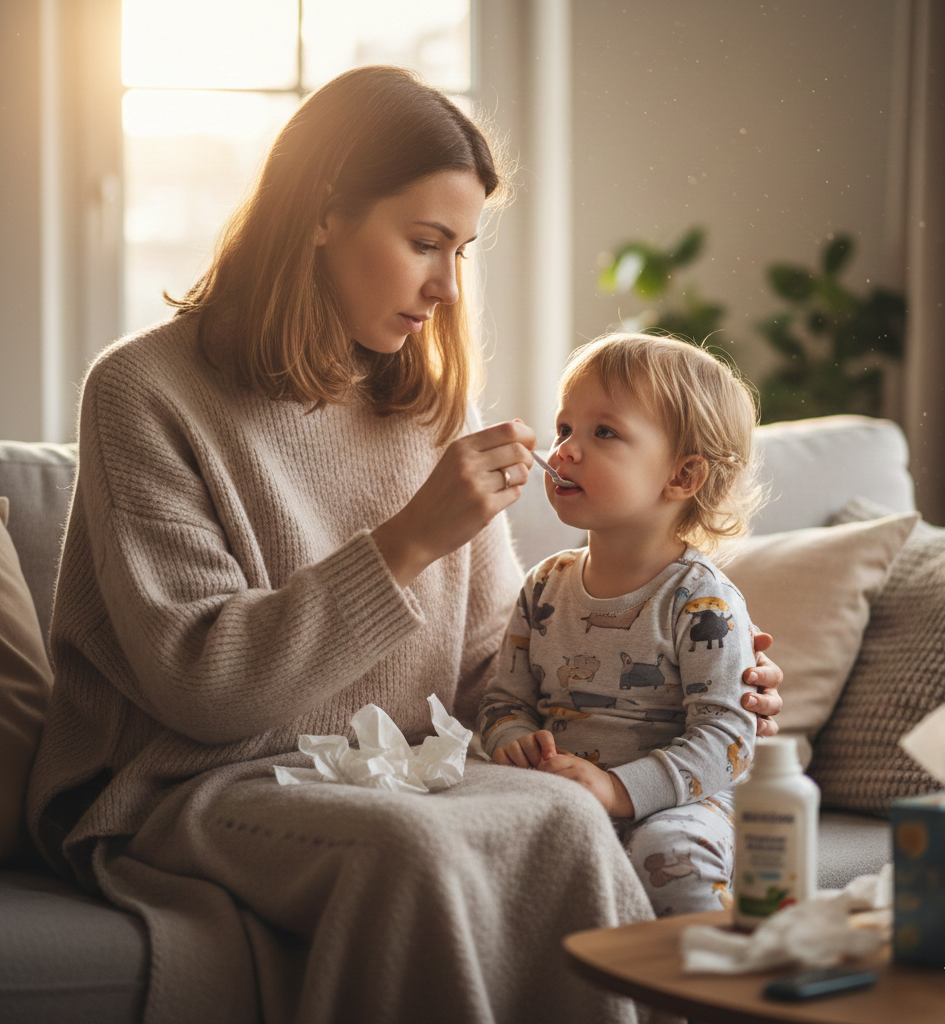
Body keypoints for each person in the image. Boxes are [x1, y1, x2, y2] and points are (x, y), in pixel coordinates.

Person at [27, 67, 783, 1024]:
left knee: (557, 816)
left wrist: (679, 688)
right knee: (412, 850)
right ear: (321, 213)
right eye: (425, 243)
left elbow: (484, 673)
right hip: (190, 782)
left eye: (461, 251)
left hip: (404, 769)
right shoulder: (142, 392)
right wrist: (408, 541)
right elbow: (203, 691)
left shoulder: (426, 407)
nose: (446, 287)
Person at [479, 333, 766, 917]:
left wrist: (618, 791)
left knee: (671, 855)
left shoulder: (701, 599)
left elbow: (728, 741)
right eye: (564, 429)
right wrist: (511, 740)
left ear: (683, 477)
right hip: (568, 797)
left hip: (684, 801)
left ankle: (704, 992)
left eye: (603, 432)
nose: (564, 451)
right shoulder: (544, 585)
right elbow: (503, 700)